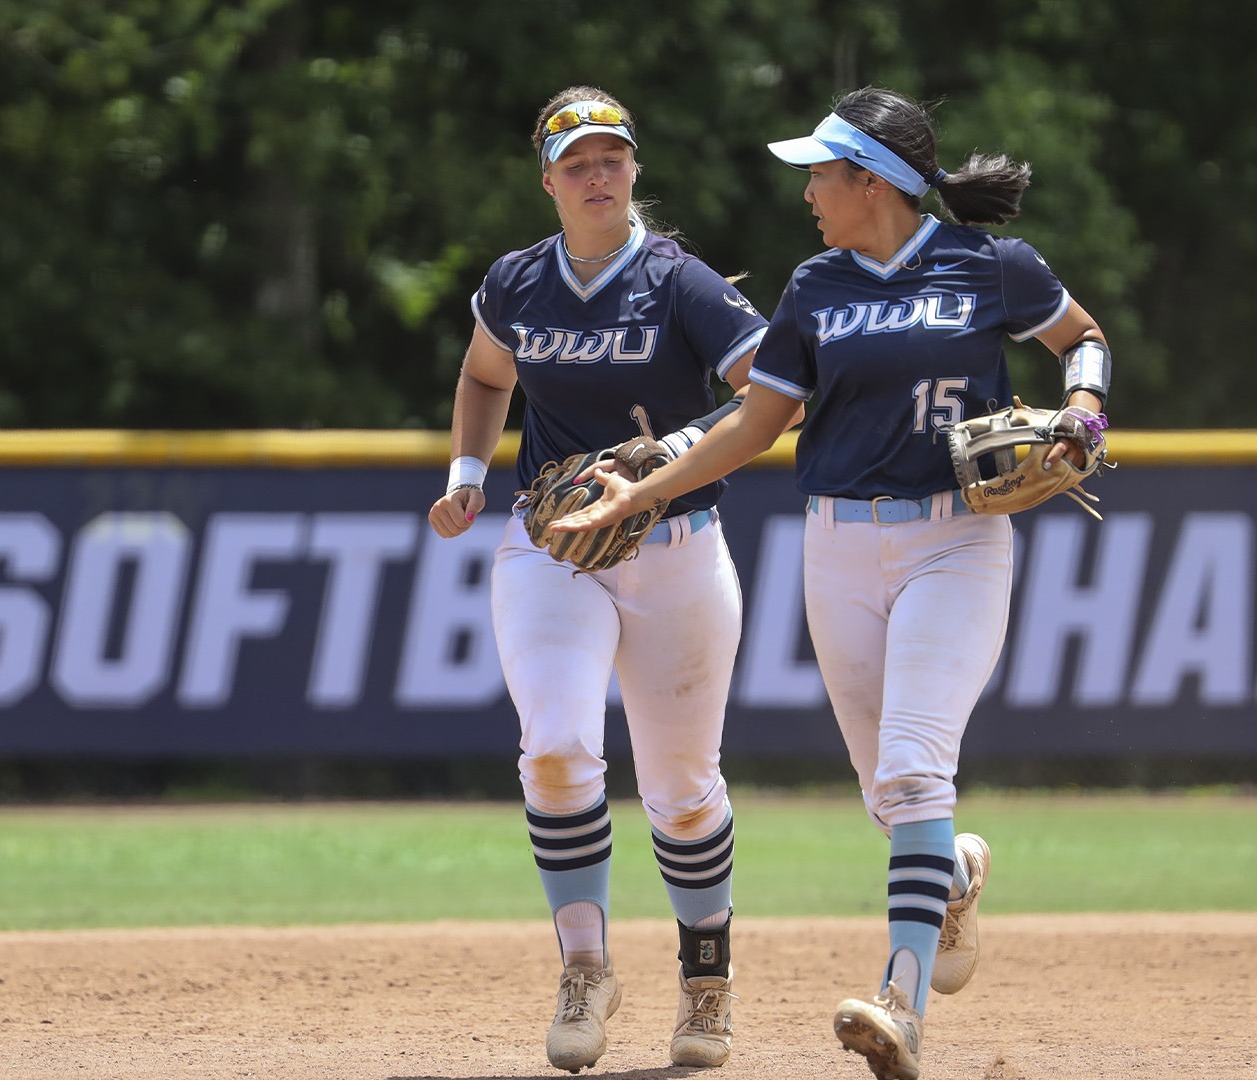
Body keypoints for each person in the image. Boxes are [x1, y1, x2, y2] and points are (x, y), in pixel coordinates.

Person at [550, 86, 1114, 1080]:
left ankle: (901, 1008)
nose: (808, 191)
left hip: (956, 541)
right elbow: (754, 424)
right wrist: (641, 494)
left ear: (873, 180)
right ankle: (954, 873)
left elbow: (1085, 339)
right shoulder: (815, 286)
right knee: (888, 792)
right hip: (838, 546)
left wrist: (1084, 409)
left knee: (914, 770)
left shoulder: (990, 265)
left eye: (821, 172)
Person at [425, 86, 775, 1074]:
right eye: (576, 162)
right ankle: (585, 968)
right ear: (548, 181)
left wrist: (666, 453)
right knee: (555, 750)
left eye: (611, 158)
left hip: (675, 545)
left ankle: (705, 979)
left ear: (633, 170)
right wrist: (465, 473)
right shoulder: (516, 282)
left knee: (682, 789)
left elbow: (772, 393)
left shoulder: (680, 283)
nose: (596, 175)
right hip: (553, 545)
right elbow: (485, 375)